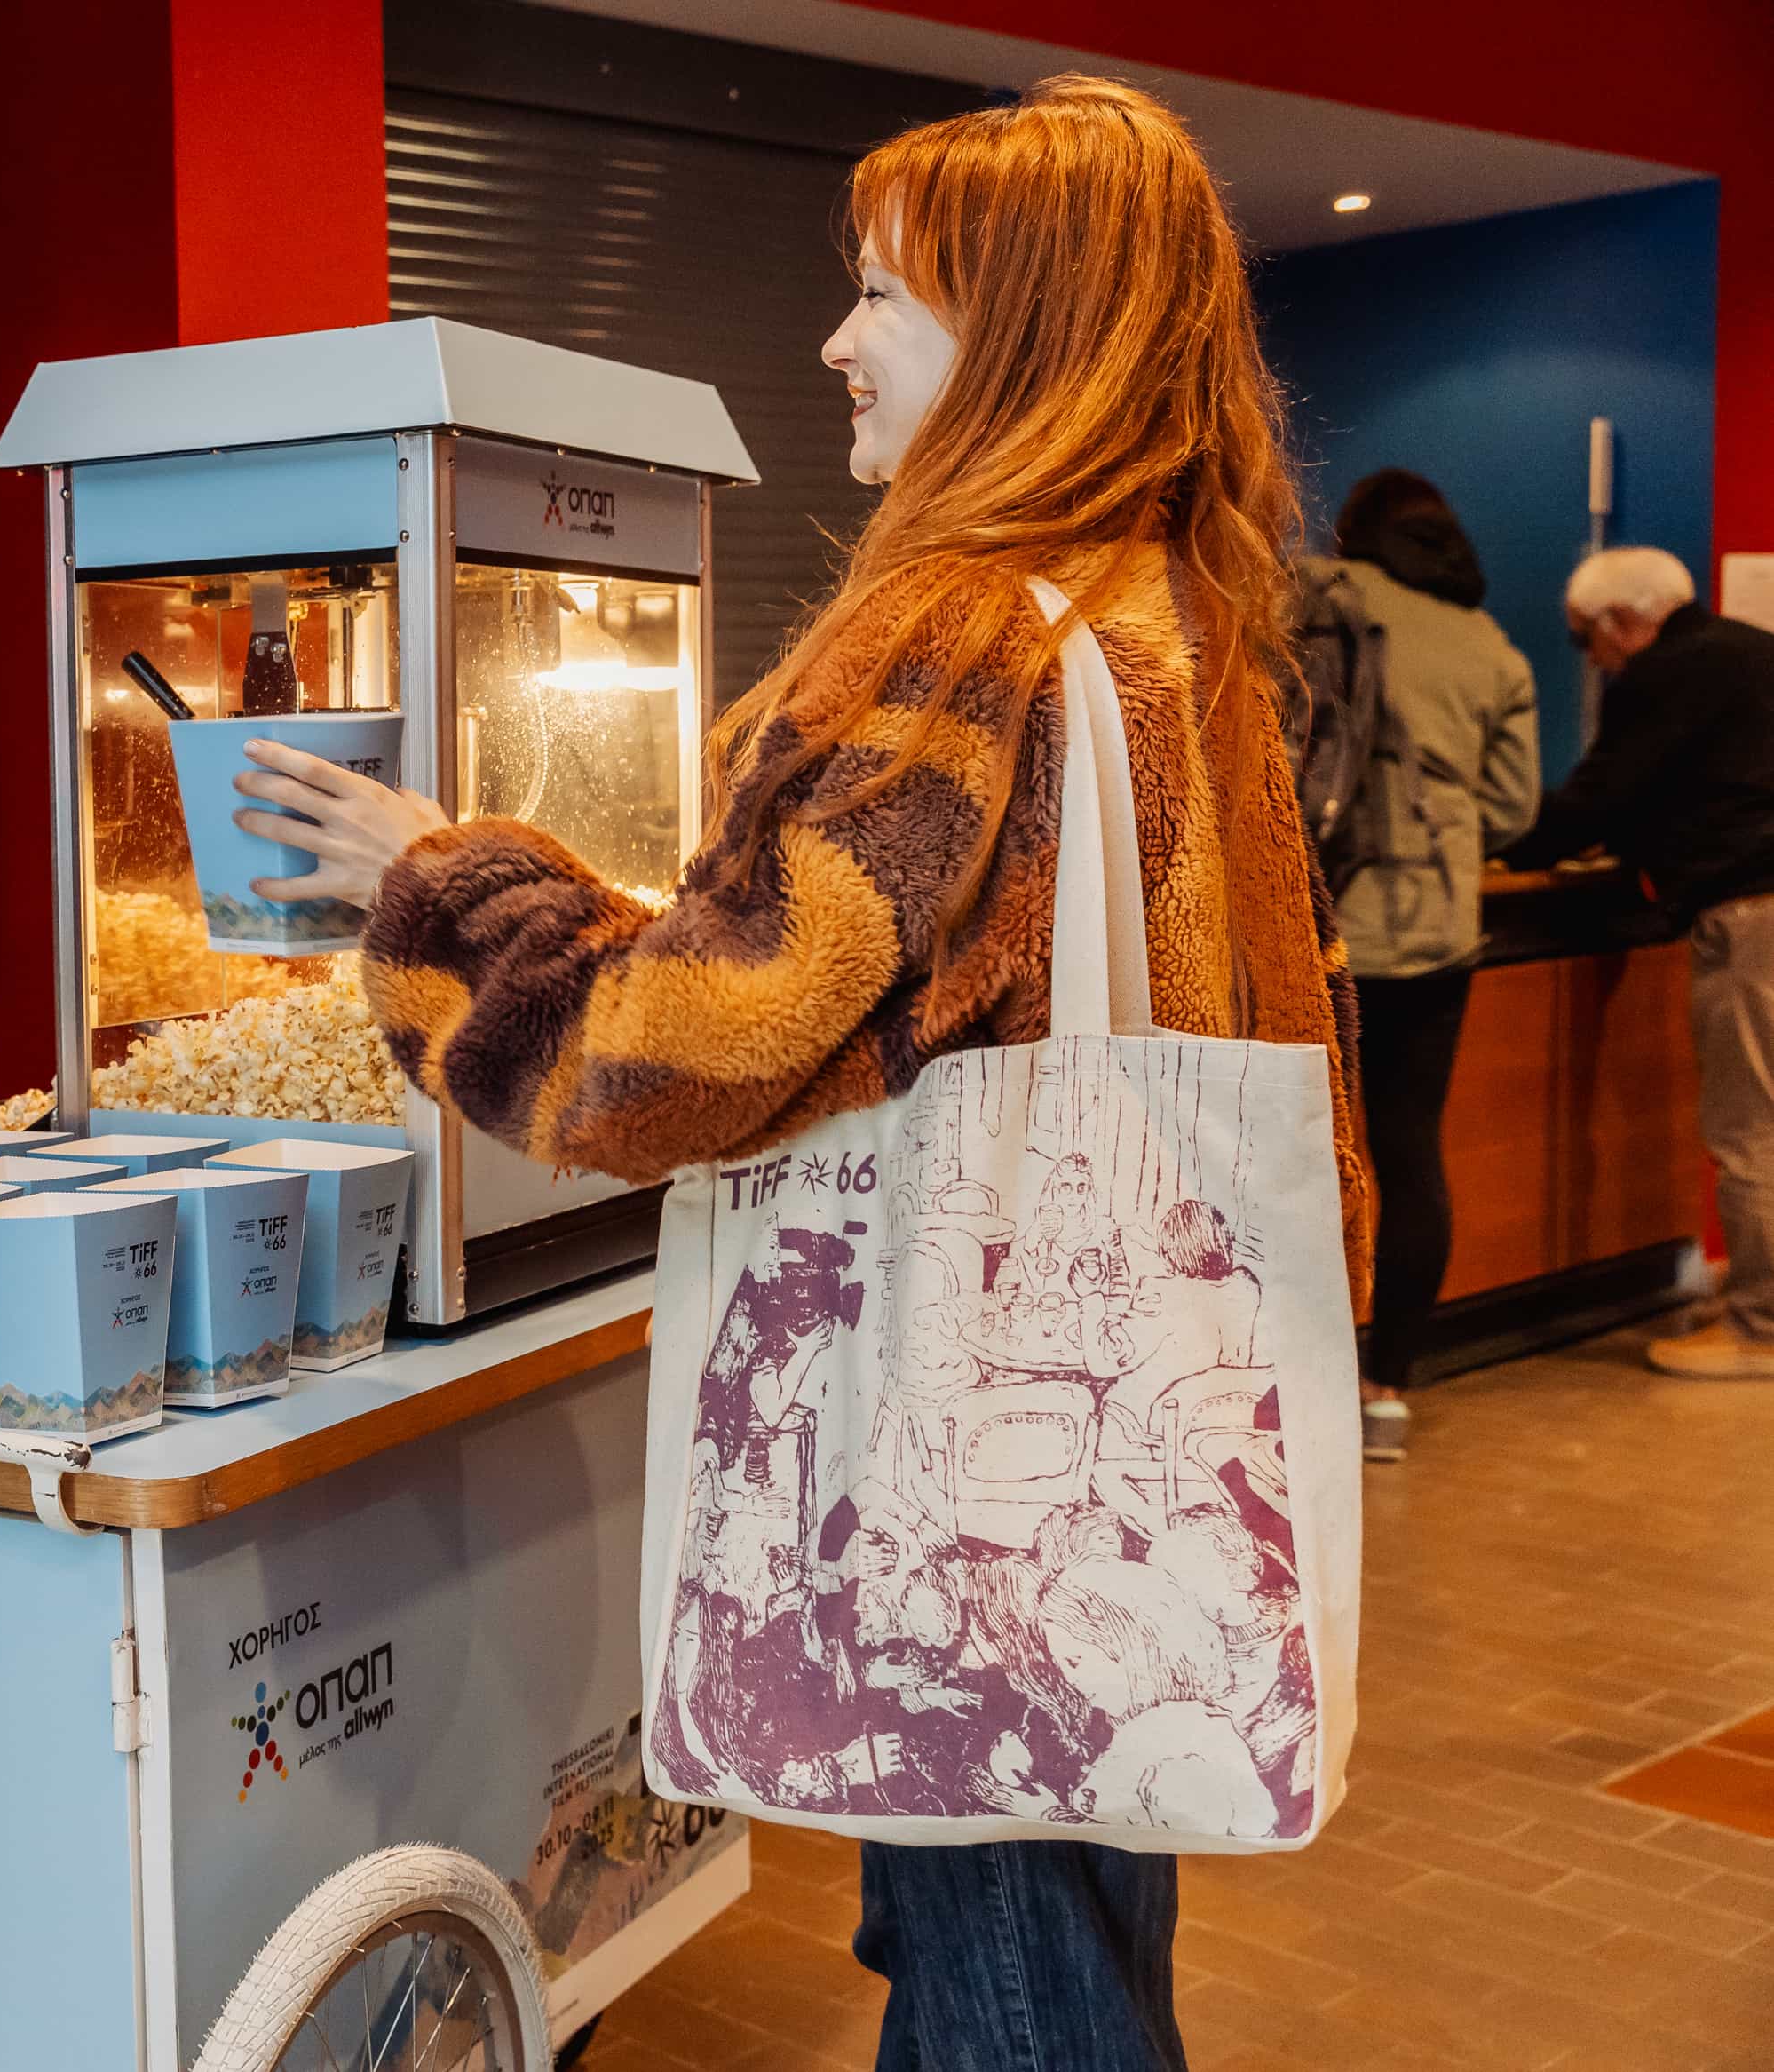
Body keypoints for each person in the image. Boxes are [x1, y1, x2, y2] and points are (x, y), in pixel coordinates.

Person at [230, 75, 1369, 2072]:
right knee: (1059, 1933)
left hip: (975, 1460)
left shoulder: (951, 634)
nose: (836, 342)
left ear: (1013, 332)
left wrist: (446, 887)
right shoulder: (1164, 620)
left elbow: (678, 1056)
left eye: (882, 298)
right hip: (1141, 1450)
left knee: (1013, 1986)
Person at [1310, 470, 1540, 1461]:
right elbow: (1514, 807)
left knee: (1305, 1153)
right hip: (1439, 929)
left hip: (1328, 922)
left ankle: (1291, 1374)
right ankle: (1386, 1387)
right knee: (1409, 1152)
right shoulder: (1487, 644)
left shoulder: (1321, 596)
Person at [1501, 545, 1774, 1378]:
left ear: (1626, 620)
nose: (1592, 657)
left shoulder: (1663, 677)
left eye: (1588, 638)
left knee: (1748, 1128)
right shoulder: (1757, 651)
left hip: (1749, 917)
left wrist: (1512, 839)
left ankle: (1760, 1328)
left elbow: (1604, 795)